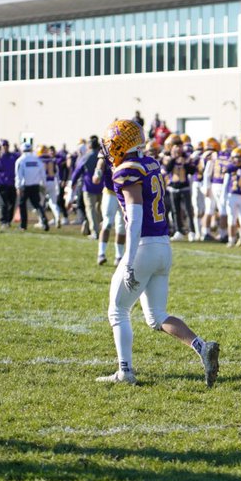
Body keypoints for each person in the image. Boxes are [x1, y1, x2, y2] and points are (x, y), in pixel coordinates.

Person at [96, 119, 219, 386]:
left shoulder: (128, 170)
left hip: (143, 246)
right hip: (162, 245)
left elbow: (135, 216)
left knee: (118, 310)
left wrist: (128, 261)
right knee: (157, 316)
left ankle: (125, 372)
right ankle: (202, 347)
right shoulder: (149, 163)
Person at [14, 142, 50, 231]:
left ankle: (23, 225)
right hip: (35, 185)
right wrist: (44, 184)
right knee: (37, 205)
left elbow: (19, 175)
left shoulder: (20, 161)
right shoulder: (37, 160)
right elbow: (43, 173)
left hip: (25, 186)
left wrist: (18, 186)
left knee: (22, 205)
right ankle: (45, 222)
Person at [0, 141, 19, 228]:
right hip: (2, 183)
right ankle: (4, 221)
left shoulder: (13, 156)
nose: (5, 147)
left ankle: (8, 221)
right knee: (4, 203)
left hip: (12, 183)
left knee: (12, 203)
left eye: (6, 145)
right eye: (3, 145)